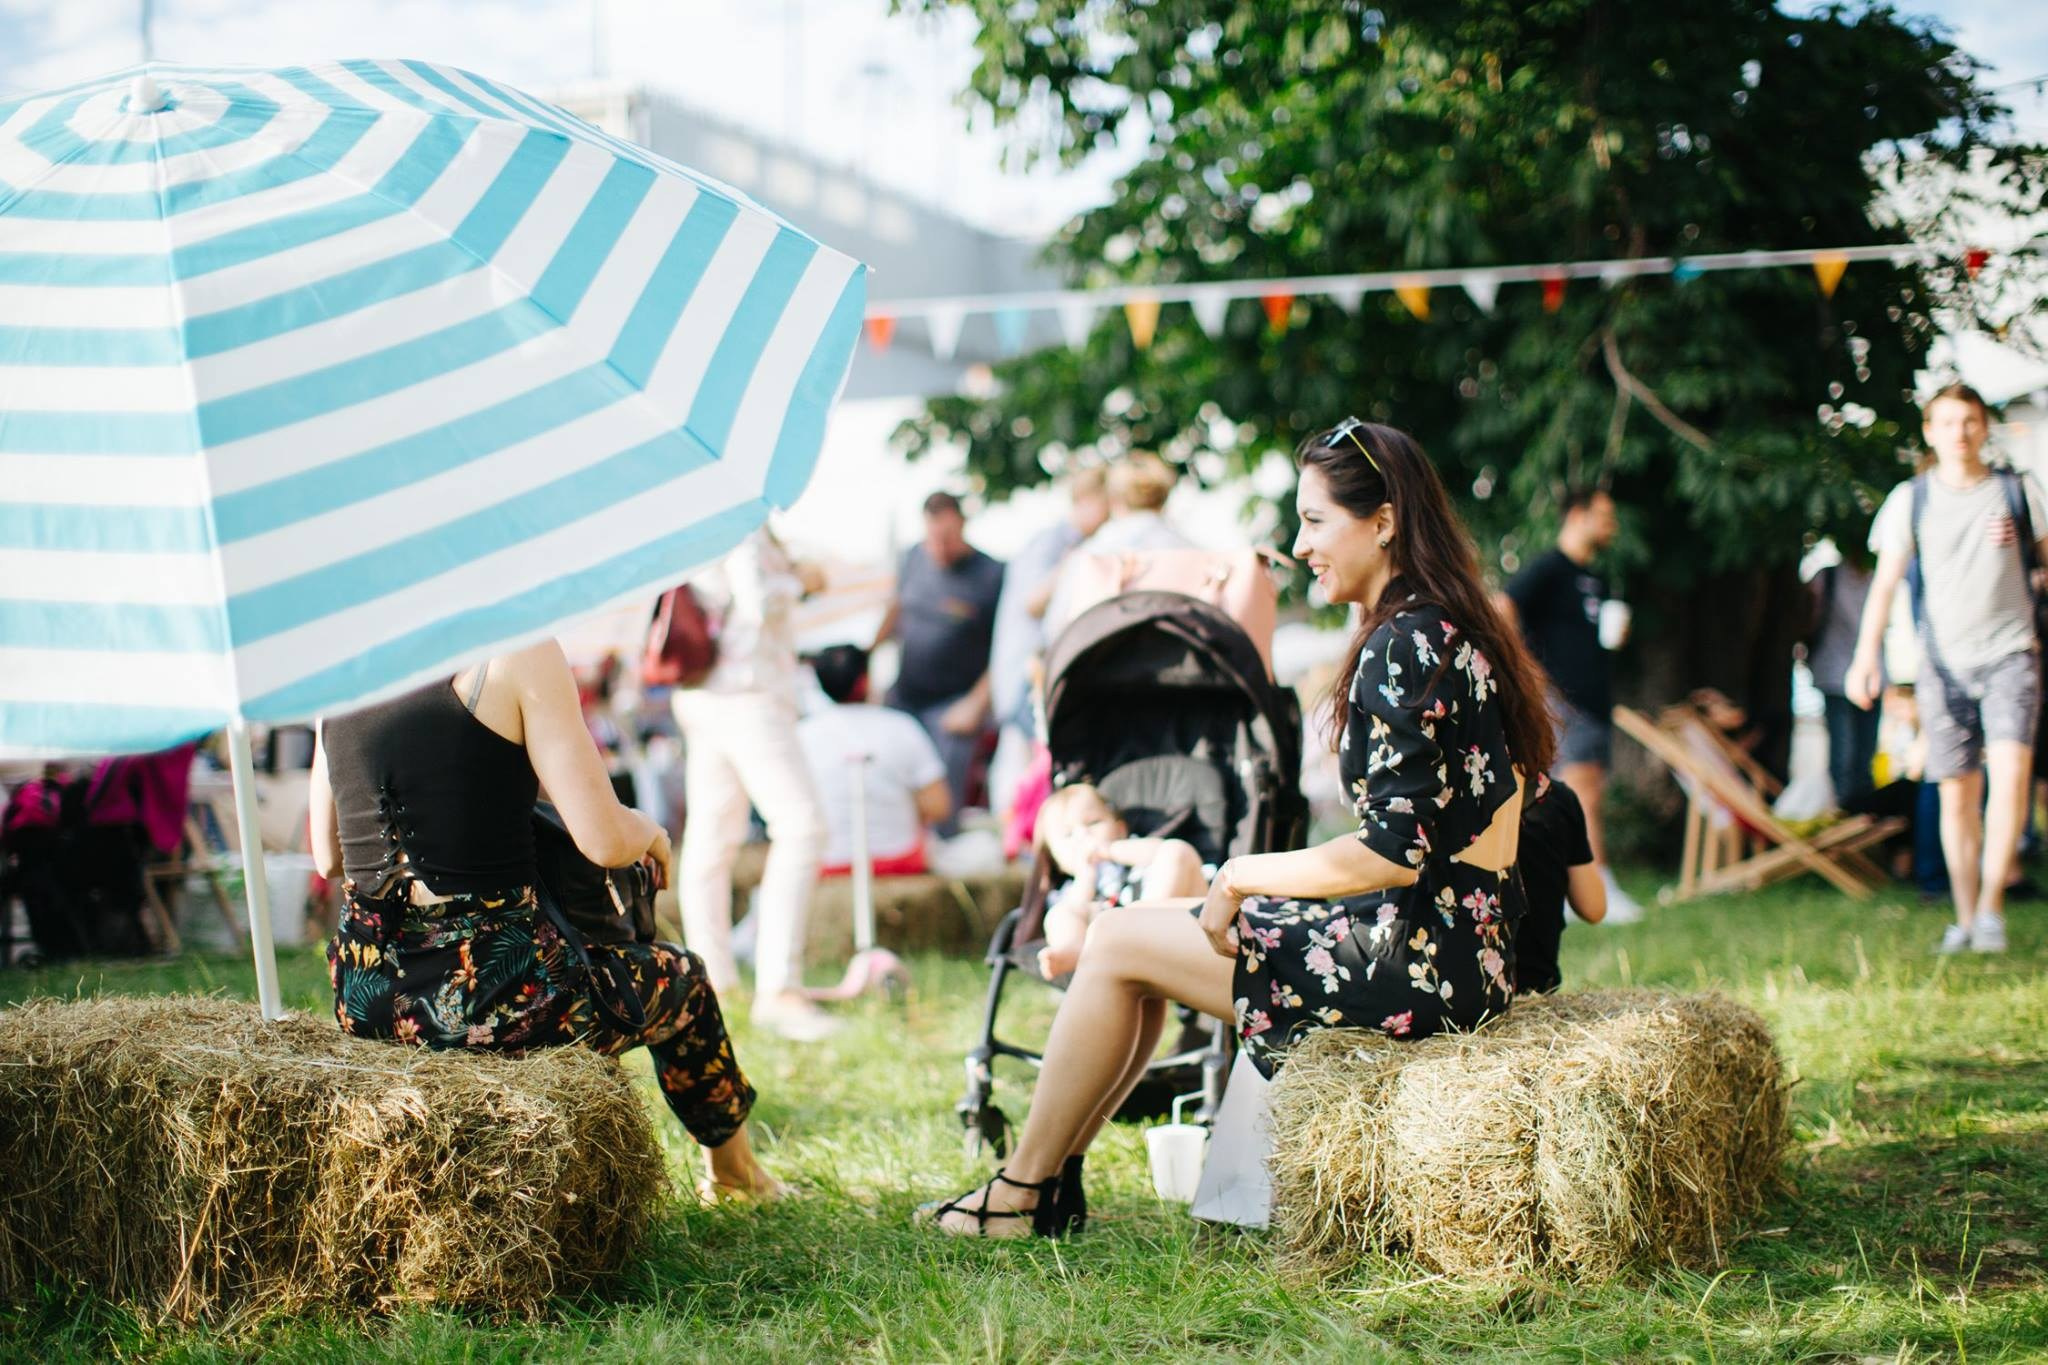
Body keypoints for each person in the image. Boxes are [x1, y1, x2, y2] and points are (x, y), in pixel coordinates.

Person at [917, 418, 1555, 1238]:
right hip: (1464, 950)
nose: (1301, 543)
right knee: (1127, 943)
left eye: (1316, 520)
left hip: (1419, 961)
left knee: (1112, 941)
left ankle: (1023, 1192)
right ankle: (1041, 1183)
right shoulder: (1454, 628)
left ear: (1385, 520)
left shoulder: (1404, 642)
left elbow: (1394, 854)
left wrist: (1238, 874)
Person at [308, 642, 779, 1202]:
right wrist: (650, 832)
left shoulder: (334, 674)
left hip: (367, 999)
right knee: (683, 979)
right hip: (494, 996)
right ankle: (735, 1178)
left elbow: (328, 856)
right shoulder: (515, 654)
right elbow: (603, 839)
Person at [1847, 383, 2046, 955]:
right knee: (1956, 793)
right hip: (1942, 663)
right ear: (1930, 433)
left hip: (2013, 653)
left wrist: (2021, 559)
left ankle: (1991, 911)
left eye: (1970, 421)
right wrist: (1868, 656)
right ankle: (1963, 916)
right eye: (1948, 422)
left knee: (2009, 779)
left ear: (1985, 428)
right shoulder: (1911, 499)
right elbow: (1884, 584)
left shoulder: (2018, 492)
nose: (1961, 432)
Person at [672, 526, 838, 1041]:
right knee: (802, 828)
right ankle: (779, 991)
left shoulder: (705, 513)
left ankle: (714, 984)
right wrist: (799, 579)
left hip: (704, 694)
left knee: (710, 843)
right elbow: (759, 603)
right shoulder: (741, 517)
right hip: (747, 693)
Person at [1501, 487, 1643, 922]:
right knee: (1582, 794)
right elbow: (1502, 606)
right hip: (1564, 701)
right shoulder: (1549, 569)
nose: (1611, 525)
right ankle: (1596, 890)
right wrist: (1527, 671)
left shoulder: (1595, 578)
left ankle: (1571, 890)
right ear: (1577, 516)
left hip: (1595, 702)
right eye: (1604, 515)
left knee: (1586, 791)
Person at [873, 493, 1005, 835]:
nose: (940, 548)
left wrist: (975, 704)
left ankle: (943, 846)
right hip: (905, 695)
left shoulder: (992, 575)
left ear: (962, 525)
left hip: (955, 703)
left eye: (947, 538)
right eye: (933, 539)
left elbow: (1005, 648)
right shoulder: (913, 557)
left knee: (944, 796)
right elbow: (897, 608)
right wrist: (868, 654)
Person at [986, 469, 1112, 817]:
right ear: (1087, 501)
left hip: (1028, 678)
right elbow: (1032, 602)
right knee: (1029, 771)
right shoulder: (1055, 544)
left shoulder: (1058, 542)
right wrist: (1078, 565)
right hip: (1026, 679)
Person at [798, 644, 952, 878]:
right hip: (899, 862)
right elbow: (939, 806)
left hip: (825, 863)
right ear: (866, 680)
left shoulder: (802, 735)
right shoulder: (902, 727)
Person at [1030, 783, 1209, 978]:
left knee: (1176, 851)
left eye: (1093, 823)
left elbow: (1161, 850)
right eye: (1068, 835)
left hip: (1166, 926)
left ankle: (1138, 934)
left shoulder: (1131, 852)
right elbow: (1077, 906)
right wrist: (1086, 879)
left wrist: (1110, 850)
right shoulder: (1072, 889)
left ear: (1120, 829)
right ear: (1056, 860)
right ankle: (1076, 951)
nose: (1083, 835)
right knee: (1060, 914)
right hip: (1109, 942)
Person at [1042, 451, 1195, 635]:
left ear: (1113, 499)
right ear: (1164, 496)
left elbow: (1055, 630)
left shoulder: (1089, 555)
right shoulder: (1194, 554)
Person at [1512, 774, 1607, 994]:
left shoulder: (1438, 800)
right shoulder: (1557, 800)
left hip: (1456, 998)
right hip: (1535, 988)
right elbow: (1594, 907)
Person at [1805, 547, 1882, 804]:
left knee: (1864, 758)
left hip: (1874, 678)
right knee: (1843, 757)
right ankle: (1841, 809)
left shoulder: (1879, 576)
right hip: (1835, 674)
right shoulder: (1827, 578)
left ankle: (1861, 816)